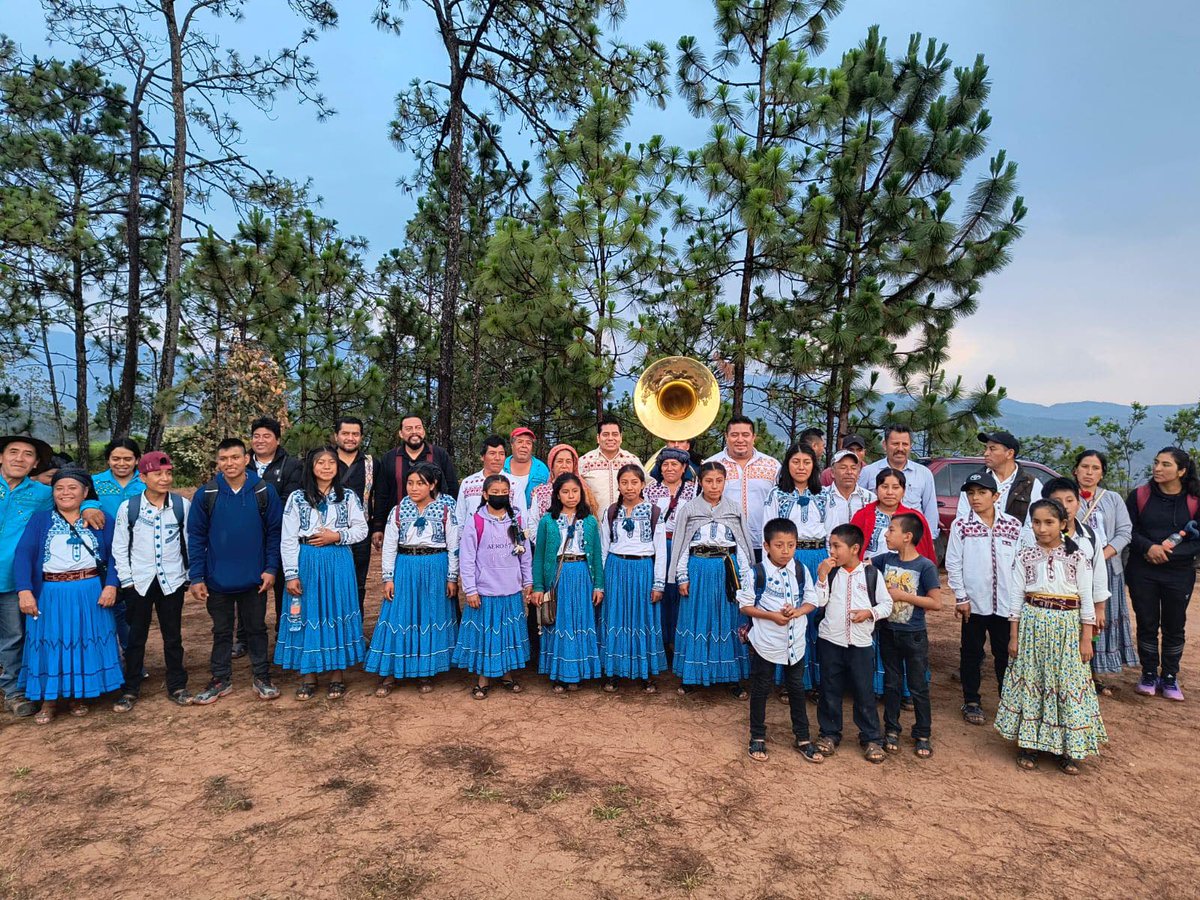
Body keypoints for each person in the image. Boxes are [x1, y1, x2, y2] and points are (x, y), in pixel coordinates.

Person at [996, 499, 1106, 775]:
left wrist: (1086, 637)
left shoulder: (1078, 556)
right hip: (1032, 625)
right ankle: (1029, 745)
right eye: (1036, 522)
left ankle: (1067, 748)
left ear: (1062, 524)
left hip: (1068, 627)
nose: (1042, 528)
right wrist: (1014, 636)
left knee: (1066, 683)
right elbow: (1016, 597)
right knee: (1034, 681)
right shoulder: (1024, 556)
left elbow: (1086, 598)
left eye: (1049, 522)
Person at [1, 435, 103, 718]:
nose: (19, 458)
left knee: (14, 637)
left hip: (12, 580)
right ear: (1, 457)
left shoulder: (40, 494)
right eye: (13, 452)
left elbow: (72, 495)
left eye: (27, 454)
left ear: (34, 463)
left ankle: (14, 692)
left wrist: (89, 506)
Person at [14, 469, 123, 723]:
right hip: (50, 593)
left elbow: (117, 553)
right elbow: (23, 555)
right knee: (51, 643)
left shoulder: (100, 519)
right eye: (60, 488)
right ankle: (49, 701)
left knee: (83, 641)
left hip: (90, 591)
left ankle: (79, 696)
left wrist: (111, 585)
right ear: (53, 492)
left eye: (73, 488)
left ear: (85, 492)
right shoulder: (40, 520)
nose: (66, 493)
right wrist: (24, 591)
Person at [187, 438, 283, 704]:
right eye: (223, 459)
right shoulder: (207, 493)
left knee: (256, 628)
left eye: (234, 458)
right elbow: (195, 536)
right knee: (221, 630)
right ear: (218, 462)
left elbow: (274, 533)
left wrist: (271, 568)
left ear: (246, 459)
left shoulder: (263, 491)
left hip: (256, 577)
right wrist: (196, 576)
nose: (229, 463)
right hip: (217, 578)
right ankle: (220, 679)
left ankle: (262, 677)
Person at [275, 447, 368, 701]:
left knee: (336, 611)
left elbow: (362, 529)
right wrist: (291, 574)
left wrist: (337, 536)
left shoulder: (347, 496)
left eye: (331, 463)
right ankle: (309, 675)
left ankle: (337, 674)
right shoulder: (297, 498)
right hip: (307, 560)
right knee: (309, 611)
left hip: (338, 559)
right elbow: (288, 538)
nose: (326, 467)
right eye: (320, 462)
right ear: (311, 467)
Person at [367, 462, 459, 696]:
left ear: (432, 484)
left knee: (429, 615)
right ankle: (390, 671)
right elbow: (389, 546)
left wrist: (452, 577)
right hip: (405, 567)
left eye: (420, 483)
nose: (414, 488)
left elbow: (454, 546)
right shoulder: (398, 510)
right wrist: (388, 577)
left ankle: (425, 671)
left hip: (435, 567)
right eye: (410, 483)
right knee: (399, 614)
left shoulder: (445, 509)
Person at [111, 451, 193, 711]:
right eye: (158, 474)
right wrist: (127, 581)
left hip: (172, 580)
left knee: (173, 636)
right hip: (140, 582)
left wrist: (189, 576)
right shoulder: (130, 507)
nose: (164, 478)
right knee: (136, 637)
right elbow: (120, 546)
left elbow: (190, 542)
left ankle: (177, 684)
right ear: (143, 477)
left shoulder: (181, 506)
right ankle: (131, 687)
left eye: (168, 473)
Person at [667, 462, 755, 697]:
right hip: (698, 570)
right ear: (700, 482)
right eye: (709, 481)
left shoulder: (734, 509)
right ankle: (691, 676)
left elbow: (742, 547)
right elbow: (682, 545)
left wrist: (746, 581)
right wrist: (682, 576)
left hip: (727, 571)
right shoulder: (689, 509)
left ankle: (731, 677)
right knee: (697, 621)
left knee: (727, 621)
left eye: (719, 480)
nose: (714, 486)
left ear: (725, 482)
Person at [740, 518, 822, 764]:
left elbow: (812, 600)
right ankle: (757, 736)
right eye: (779, 545)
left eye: (791, 545)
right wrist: (771, 616)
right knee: (761, 687)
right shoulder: (757, 573)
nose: (786, 551)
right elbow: (745, 606)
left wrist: (797, 612)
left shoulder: (800, 569)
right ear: (766, 546)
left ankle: (803, 737)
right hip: (766, 642)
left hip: (795, 642)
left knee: (796, 688)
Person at [850, 468, 936, 698]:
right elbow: (854, 548)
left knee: (901, 629)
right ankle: (876, 686)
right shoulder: (863, 514)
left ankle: (907, 689)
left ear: (904, 490)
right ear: (876, 489)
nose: (889, 492)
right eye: (884, 486)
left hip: (904, 583)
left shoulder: (915, 518)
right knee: (875, 630)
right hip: (867, 579)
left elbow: (926, 553)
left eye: (895, 487)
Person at [945, 471, 1023, 727]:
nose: (975, 498)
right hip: (974, 603)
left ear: (996, 496)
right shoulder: (962, 526)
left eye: (981, 493)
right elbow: (953, 563)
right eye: (971, 493)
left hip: (1005, 603)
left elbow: (1020, 565)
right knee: (971, 652)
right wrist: (961, 597)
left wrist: (1018, 601)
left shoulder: (1013, 526)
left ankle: (1007, 700)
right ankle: (971, 700)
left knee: (1005, 653)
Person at [812, 524, 893, 763]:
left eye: (837, 546)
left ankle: (871, 737)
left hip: (860, 644)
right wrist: (822, 577)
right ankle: (829, 734)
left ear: (855, 548)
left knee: (863, 691)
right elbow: (819, 601)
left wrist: (869, 613)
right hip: (830, 641)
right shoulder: (832, 573)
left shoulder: (871, 574)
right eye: (831, 546)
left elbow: (886, 605)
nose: (832, 551)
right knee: (829, 689)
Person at [1125, 447, 1200, 701]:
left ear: (1181, 471)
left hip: (1179, 573)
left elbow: (1197, 541)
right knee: (1146, 623)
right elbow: (1129, 530)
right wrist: (1150, 548)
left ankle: (1169, 676)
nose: (1157, 468)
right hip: (1142, 570)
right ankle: (1148, 673)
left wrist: (1167, 554)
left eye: (1165, 464)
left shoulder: (1194, 500)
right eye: (1156, 462)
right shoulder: (1140, 496)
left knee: (1174, 625)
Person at [452, 474, 533, 699]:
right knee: (487, 635)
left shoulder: (517, 520)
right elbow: (467, 559)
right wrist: (470, 589)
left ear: (510, 494)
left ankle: (507, 675)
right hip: (485, 591)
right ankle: (483, 679)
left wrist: (527, 581)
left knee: (507, 634)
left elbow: (524, 555)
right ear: (485, 495)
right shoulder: (475, 522)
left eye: (504, 492)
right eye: (494, 492)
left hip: (511, 589)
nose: (499, 495)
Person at [763, 442, 829, 691]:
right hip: (787, 559)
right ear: (786, 464)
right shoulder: (776, 495)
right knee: (790, 616)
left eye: (807, 462)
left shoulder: (825, 495)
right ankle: (789, 682)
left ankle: (816, 680)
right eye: (795, 461)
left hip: (818, 559)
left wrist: (829, 564)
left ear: (814, 466)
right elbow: (767, 533)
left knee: (816, 617)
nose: (801, 467)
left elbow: (832, 532)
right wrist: (771, 567)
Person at [874, 514, 941, 759]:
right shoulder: (884, 560)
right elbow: (862, 567)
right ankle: (891, 729)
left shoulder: (925, 566)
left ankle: (922, 733)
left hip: (914, 635)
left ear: (907, 536)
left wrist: (899, 595)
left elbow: (935, 602)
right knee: (891, 684)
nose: (886, 534)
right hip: (889, 633)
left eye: (891, 530)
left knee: (918, 686)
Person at [532, 473, 604, 693]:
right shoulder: (548, 521)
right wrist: (538, 586)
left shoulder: (590, 521)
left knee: (580, 621)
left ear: (581, 493)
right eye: (565, 491)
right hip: (557, 576)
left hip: (583, 574)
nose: (571, 496)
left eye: (575, 491)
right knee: (560, 621)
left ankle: (579, 671)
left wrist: (598, 585)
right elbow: (540, 556)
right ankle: (560, 674)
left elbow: (597, 555)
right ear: (557, 494)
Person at [598, 465, 667, 693]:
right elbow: (603, 549)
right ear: (618, 485)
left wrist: (659, 583)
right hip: (616, 570)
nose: (629, 487)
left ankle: (645, 673)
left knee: (642, 620)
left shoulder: (653, 512)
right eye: (624, 482)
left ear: (642, 485)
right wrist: (601, 581)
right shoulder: (610, 512)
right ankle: (613, 671)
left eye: (634, 482)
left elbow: (661, 552)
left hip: (642, 570)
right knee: (616, 618)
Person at [1072, 450, 1137, 694]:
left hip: (1108, 569)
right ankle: (1075, 670)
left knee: (1100, 619)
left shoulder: (1112, 499)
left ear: (1102, 473)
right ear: (1075, 470)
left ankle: (1094, 672)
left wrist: (1102, 555)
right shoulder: (1067, 497)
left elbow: (1124, 532)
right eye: (1085, 467)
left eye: (1095, 468)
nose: (1089, 472)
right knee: (1077, 618)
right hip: (1074, 567)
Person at [371, 413, 460, 553]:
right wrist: (377, 527)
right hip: (399, 527)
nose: (414, 432)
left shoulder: (439, 455)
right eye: (408, 428)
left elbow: (453, 488)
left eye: (418, 428)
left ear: (423, 431)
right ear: (401, 433)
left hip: (435, 528)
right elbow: (382, 494)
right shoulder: (389, 458)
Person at [248, 417, 303, 641]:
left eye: (267, 436)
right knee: (249, 589)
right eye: (256, 436)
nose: (260, 441)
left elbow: (288, 501)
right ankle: (246, 636)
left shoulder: (291, 465)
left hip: (281, 536)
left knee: (283, 585)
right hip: (248, 539)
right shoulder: (243, 463)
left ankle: (285, 634)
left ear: (278, 440)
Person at [644, 448, 697, 666]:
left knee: (680, 591)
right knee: (660, 589)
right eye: (665, 465)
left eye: (675, 464)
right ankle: (660, 641)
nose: (669, 468)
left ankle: (678, 641)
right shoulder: (650, 490)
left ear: (684, 467)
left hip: (683, 544)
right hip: (659, 544)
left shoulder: (694, 490)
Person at [92, 437, 145, 651]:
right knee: (110, 607)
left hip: (139, 553)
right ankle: (111, 657)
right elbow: (82, 500)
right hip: (102, 553)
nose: (121, 463)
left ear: (137, 460)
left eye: (127, 459)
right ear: (108, 460)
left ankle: (134, 658)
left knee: (133, 609)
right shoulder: (94, 483)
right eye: (115, 458)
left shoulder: (145, 482)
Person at [705, 416, 781, 558]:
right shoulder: (712, 464)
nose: (740, 440)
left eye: (745, 435)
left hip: (764, 544)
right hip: (724, 545)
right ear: (726, 437)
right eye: (734, 435)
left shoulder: (773, 466)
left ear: (754, 437)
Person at [858, 425, 939, 540]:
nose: (900, 448)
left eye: (905, 444)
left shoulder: (924, 474)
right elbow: (859, 505)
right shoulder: (869, 472)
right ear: (884, 445)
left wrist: (930, 540)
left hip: (912, 541)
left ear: (910, 446)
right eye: (895, 444)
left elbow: (930, 510)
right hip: (876, 541)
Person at [333, 416, 377, 616]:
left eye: (355, 434)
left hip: (361, 533)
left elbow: (381, 496)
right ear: (336, 436)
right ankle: (332, 631)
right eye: (345, 433)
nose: (350, 438)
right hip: (328, 532)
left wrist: (377, 528)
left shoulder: (371, 464)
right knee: (329, 581)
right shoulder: (324, 460)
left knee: (358, 582)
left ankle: (354, 629)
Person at [954, 431, 1043, 523]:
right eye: (986, 449)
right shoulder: (974, 481)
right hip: (977, 536)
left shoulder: (1031, 484)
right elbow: (962, 519)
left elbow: (1034, 523)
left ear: (1009, 453)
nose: (986, 453)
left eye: (992, 449)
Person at [456, 435, 528, 533]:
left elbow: (522, 518)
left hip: (505, 542)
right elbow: (460, 518)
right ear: (482, 457)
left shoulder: (514, 484)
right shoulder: (468, 483)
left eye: (501, 454)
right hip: (472, 542)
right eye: (492, 453)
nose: (497, 458)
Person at [579, 415, 643, 513]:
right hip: (594, 524)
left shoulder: (632, 461)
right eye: (605, 434)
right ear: (598, 438)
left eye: (615, 434)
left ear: (621, 437)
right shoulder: (584, 462)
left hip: (628, 523)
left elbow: (647, 487)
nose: (610, 438)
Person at [531, 444, 597, 522]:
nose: (564, 466)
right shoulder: (539, 492)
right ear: (552, 465)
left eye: (568, 462)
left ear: (574, 466)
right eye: (559, 461)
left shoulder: (583, 490)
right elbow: (533, 522)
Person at [821, 449, 875, 530]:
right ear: (832, 472)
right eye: (843, 468)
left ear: (859, 472)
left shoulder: (870, 499)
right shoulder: (821, 497)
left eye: (853, 468)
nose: (849, 472)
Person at [504, 426, 550, 512]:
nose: (524, 446)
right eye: (520, 442)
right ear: (512, 445)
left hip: (534, 522)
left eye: (528, 443)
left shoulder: (542, 469)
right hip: (504, 521)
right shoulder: (501, 468)